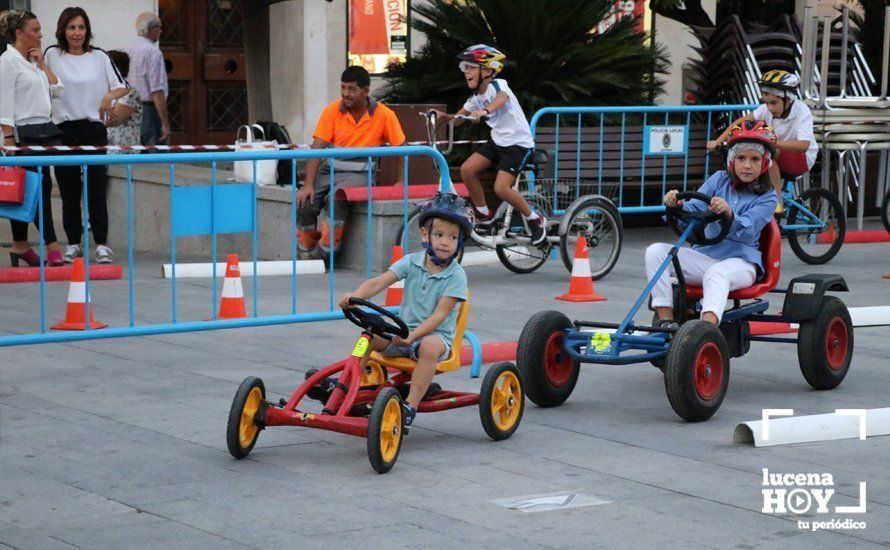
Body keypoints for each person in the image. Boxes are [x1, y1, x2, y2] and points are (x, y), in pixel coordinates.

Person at [338, 192, 470, 426]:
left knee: (429, 346)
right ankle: (345, 386)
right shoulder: (411, 261)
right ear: (424, 234)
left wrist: (414, 336)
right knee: (366, 336)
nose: (444, 242)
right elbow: (379, 282)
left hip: (434, 339)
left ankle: (410, 404)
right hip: (402, 335)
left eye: (452, 237)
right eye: (438, 234)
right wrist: (354, 297)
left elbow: (440, 315)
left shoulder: (456, 276)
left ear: (460, 242)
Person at [647, 121, 780, 327]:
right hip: (707, 256)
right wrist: (677, 203)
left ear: (765, 163)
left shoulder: (768, 197)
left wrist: (728, 212)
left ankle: (705, 329)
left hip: (741, 263)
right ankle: (666, 321)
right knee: (655, 252)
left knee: (716, 273)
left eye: (755, 160)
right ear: (731, 160)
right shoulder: (719, 179)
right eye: (741, 158)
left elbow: (748, 228)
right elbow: (694, 208)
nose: (747, 165)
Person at [430, 44, 547, 245]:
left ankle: (536, 220)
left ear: (486, 70)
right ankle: (484, 214)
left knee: (501, 188)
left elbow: (501, 99)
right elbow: (458, 118)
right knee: (467, 170)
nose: (466, 72)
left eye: (470, 67)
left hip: (518, 144)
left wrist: (484, 112)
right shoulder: (475, 98)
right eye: (464, 68)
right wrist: (443, 118)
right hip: (498, 141)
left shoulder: (498, 85)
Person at [297, 65, 406, 262]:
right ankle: (305, 251)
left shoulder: (384, 114)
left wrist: (401, 181)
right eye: (343, 88)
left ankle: (326, 253)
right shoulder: (332, 111)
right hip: (329, 168)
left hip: (361, 172)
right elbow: (317, 148)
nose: (345, 94)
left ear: (366, 91)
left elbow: (403, 149)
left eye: (351, 89)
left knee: (337, 198)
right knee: (304, 201)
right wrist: (308, 184)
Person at [45, 7, 128, 264]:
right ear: (63, 30)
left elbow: (122, 86)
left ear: (87, 30)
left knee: (96, 187)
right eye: (71, 27)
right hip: (64, 128)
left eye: (81, 27)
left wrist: (107, 97)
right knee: (69, 189)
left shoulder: (99, 56)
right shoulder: (52, 55)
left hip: (93, 128)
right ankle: (73, 242)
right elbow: (42, 82)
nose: (77, 33)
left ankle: (101, 243)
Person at [0, 10, 64, 267]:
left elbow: (58, 90)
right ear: (19, 33)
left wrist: (43, 65)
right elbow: (4, 103)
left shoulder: (34, 60)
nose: (40, 34)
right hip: (21, 133)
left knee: (29, 188)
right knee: (36, 188)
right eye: (35, 30)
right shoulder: (8, 61)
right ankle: (52, 245)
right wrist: (8, 140)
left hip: (43, 132)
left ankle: (20, 244)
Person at [707, 70, 817, 200]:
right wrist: (718, 141)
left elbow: (803, 145)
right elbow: (740, 122)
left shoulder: (802, 111)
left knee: (767, 154)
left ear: (788, 99)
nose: (769, 108)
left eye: (773, 103)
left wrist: (772, 142)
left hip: (803, 158)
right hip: (779, 152)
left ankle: (777, 202)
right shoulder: (766, 109)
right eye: (766, 103)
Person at [122, 12, 169, 146]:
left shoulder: (126, 49)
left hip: (126, 107)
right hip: (148, 111)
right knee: (153, 156)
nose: (161, 31)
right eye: (159, 28)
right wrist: (165, 123)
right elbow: (156, 90)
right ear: (153, 29)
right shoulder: (153, 52)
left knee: (132, 152)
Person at [105, 50, 143, 152]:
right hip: (103, 150)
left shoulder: (130, 93)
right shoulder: (103, 90)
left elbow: (112, 119)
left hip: (122, 153)